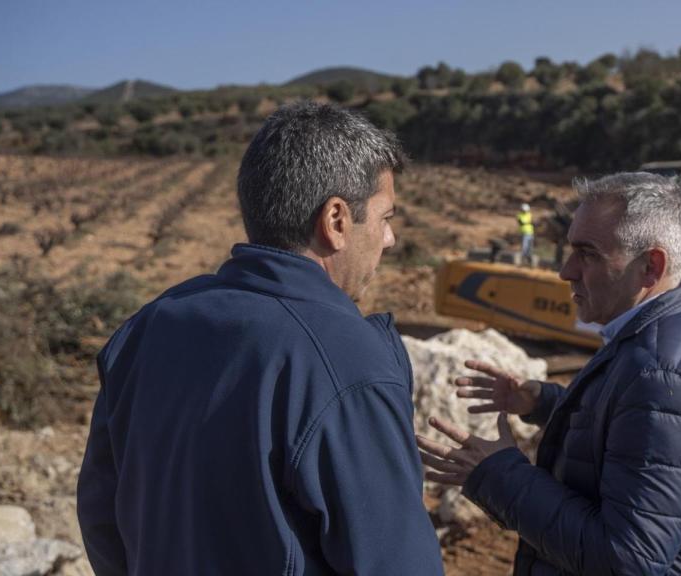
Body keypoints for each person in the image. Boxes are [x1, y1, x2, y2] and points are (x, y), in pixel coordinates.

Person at [77, 102, 444, 575]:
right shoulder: (345, 361)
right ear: (335, 220)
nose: (390, 239)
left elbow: (101, 514)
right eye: (384, 217)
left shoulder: (150, 325)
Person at [418, 173, 681, 575]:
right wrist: (542, 401)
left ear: (650, 267)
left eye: (587, 254)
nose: (566, 271)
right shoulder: (671, 336)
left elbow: (627, 560)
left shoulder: (663, 378)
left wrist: (499, 474)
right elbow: (628, 427)